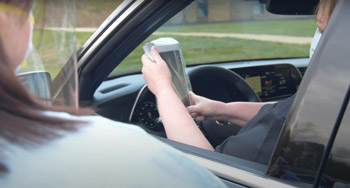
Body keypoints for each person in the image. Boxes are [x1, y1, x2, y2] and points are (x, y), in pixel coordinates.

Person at [0, 1, 227, 187]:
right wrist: (223, 109)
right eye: (29, 13)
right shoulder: (129, 154)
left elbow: (207, 162)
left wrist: (164, 89)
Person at [141, 0, 337, 165]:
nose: (316, 37)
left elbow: (204, 170)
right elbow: (288, 110)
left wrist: (163, 89)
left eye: (321, 29)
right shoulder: (329, 102)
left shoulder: (284, 134)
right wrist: (221, 109)